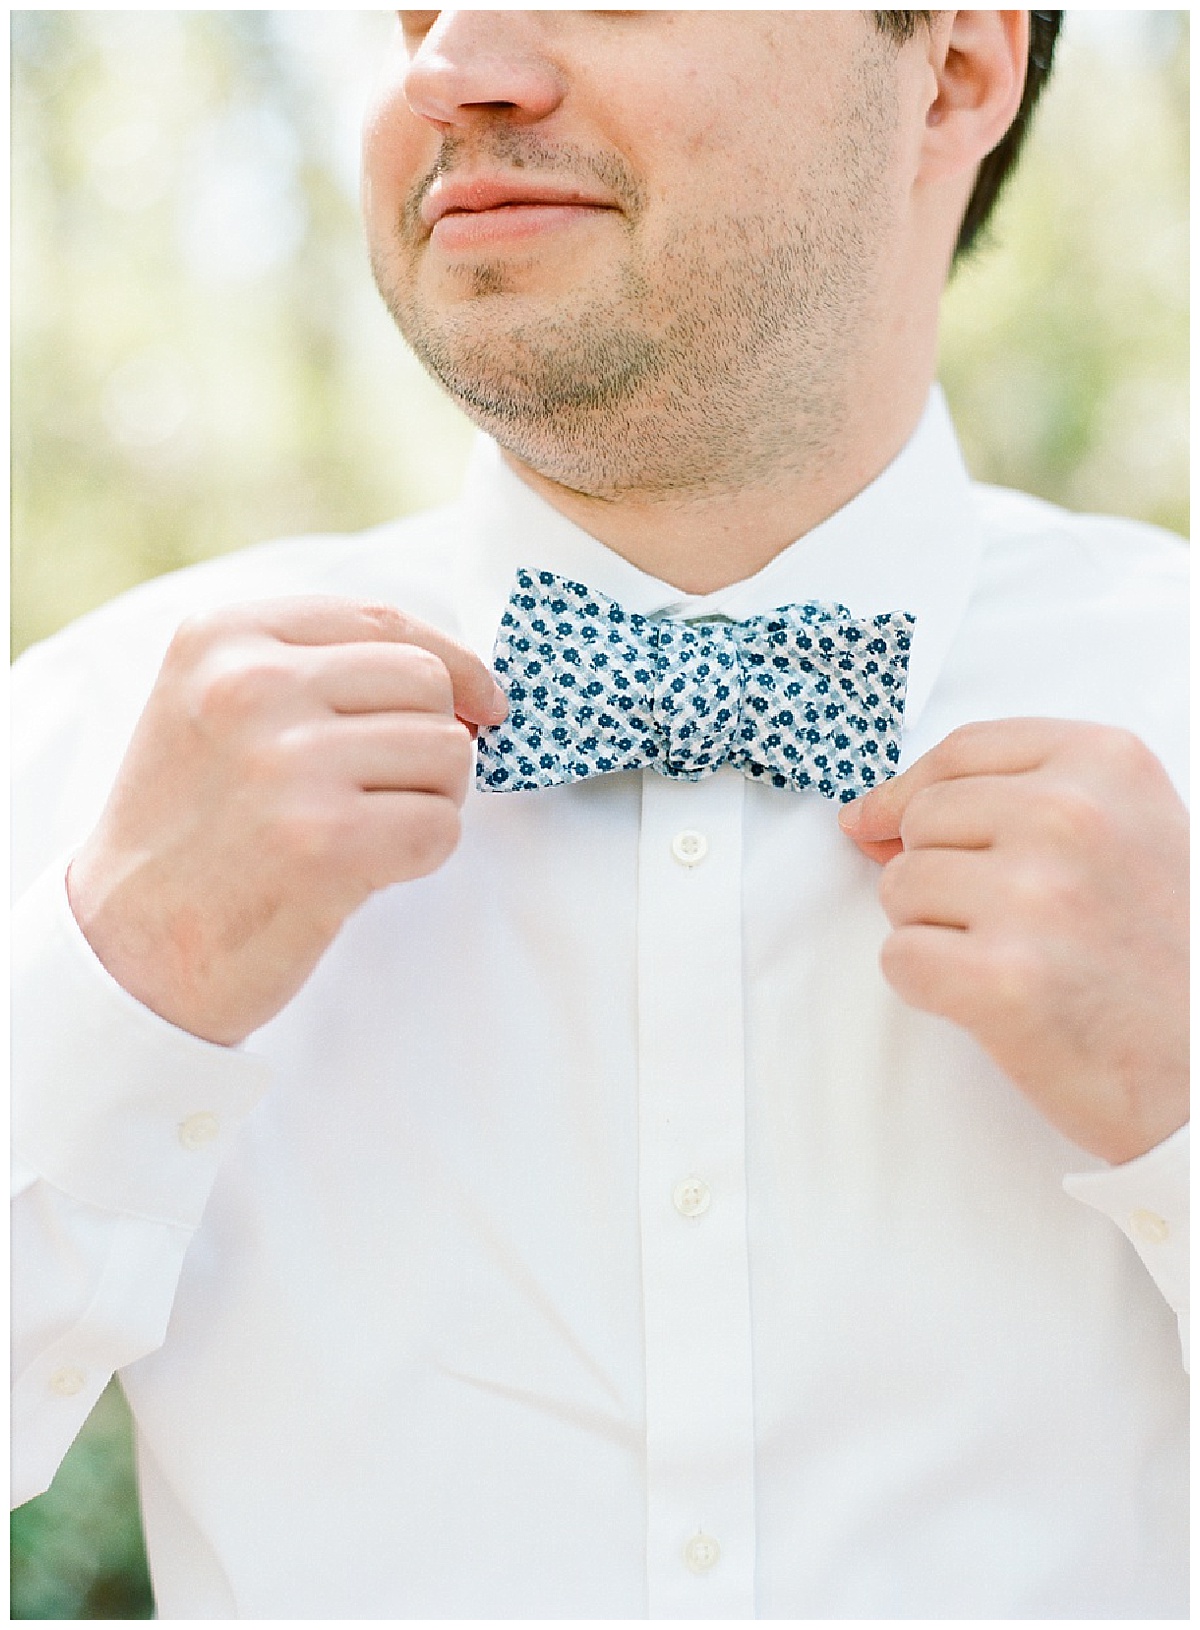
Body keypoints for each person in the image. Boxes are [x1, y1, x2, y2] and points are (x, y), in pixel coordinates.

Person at [12, 10, 1187, 1619]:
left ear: (956, 67)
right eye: (419, 0)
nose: (453, 63)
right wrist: (113, 989)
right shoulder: (103, 738)